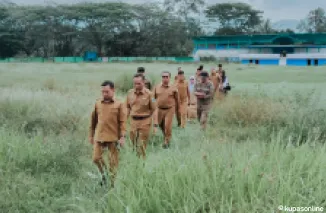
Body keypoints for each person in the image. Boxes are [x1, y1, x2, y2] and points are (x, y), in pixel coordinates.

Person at [89, 80, 126, 188]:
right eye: (103, 92)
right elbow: (93, 121)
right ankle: (104, 175)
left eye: (107, 92)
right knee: (96, 158)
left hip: (113, 137)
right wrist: (91, 135)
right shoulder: (97, 103)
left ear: (113, 90)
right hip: (99, 136)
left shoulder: (119, 104)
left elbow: (123, 122)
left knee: (113, 163)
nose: (104, 94)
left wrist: (122, 137)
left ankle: (112, 184)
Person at [126, 74, 156, 159]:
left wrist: (155, 124)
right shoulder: (130, 93)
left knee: (142, 145)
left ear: (143, 82)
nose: (136, 85)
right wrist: (123, 121)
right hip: (133, 121)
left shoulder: (150, 94)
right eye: (134, 83)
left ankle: (142, 162)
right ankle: (135, 160)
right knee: (133, 143)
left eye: (138, 83)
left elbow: (155, 109)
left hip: (145, 121)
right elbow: (127, 108)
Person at [153, 71, 180, 148]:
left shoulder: (174, 87)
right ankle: (166, 136)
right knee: (161, 125)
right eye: (163, 77)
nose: (165, 78)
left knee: (167, 126)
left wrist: (177, 109)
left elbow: (177, 100)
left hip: (170, 109)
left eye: (166, 77)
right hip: (159, 109)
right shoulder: (157, 87)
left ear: (169, 78)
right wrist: (154, 105)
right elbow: (153, 98)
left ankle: (167, 143)